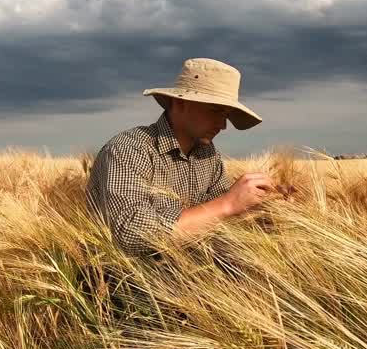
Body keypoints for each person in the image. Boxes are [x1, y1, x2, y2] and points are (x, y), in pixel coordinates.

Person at [86, 57, 278, 257]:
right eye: (215, 110)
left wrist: (262, 208)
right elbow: (129, 233)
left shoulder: (208, 155)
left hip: (189, 277)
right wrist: (228, 203)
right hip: (122, 283)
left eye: (227, 114)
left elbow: (217, 223)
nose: (223, 125)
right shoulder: (128, 149)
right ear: (180, 102)